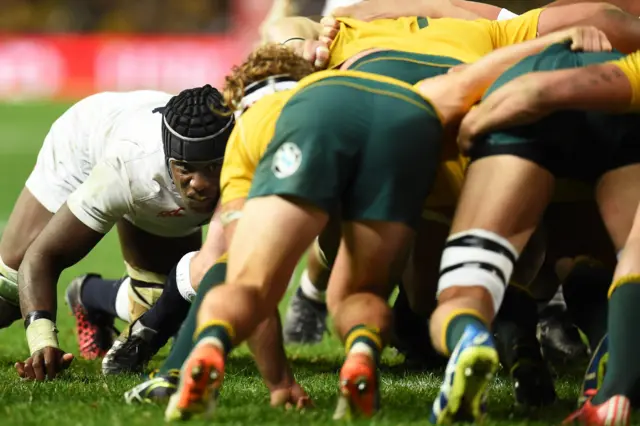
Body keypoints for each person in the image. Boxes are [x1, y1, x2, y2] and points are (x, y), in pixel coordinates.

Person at [162, 27, 609, 421]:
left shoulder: (249, 125)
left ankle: (210, 348)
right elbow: (468, 80)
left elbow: (245, 273)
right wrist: (558, 39)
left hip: (311, 121)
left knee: (251, 282)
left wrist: (280, 383)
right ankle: (360, 355)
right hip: (403, 113)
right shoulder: (351, 76)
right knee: (360, 293)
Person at [432, 43, 640, 425]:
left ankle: (470, 337)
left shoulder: (494, 39)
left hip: (519, 101)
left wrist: (475, 124)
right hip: (614, 112)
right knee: (619, 254)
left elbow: (527, 92)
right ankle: (614, 358)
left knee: (465, 284)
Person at [8, 85, 232, 381]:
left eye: (214, 167)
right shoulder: (129, 168)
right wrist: (42, 341)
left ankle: (88, 296)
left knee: (165, 301)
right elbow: (42, 257)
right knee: (9, 293)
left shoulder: (253, 155)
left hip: (144, 156)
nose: (200, 184)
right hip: (84, 143)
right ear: (169, 161)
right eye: (187, 168)